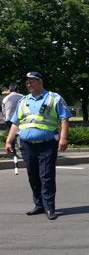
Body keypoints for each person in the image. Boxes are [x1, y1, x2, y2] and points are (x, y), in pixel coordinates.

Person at [4, 72, 72, 220]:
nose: (29, 84)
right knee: (33, 176)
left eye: (32, 81)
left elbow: (64, 118)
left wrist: (63, 138)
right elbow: (16, 122)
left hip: (47, 144)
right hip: (27, 145)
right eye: (27, 82)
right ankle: (39, 205)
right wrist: (9, 141)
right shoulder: (23, 101)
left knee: (46, 176)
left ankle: (49, 207)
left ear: (40, 82)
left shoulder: (54, 98)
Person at [2, 84, 24, 151]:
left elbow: (4, 110)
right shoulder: (22, 97)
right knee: (20, 133)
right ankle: (21, 147)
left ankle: (12, 148)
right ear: (17, 89)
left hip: (9, 118)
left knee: (11, 134)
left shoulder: (5, 98)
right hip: (20, 118)